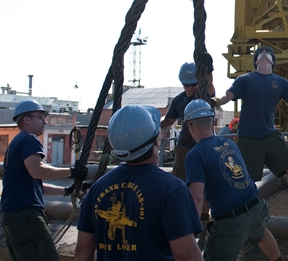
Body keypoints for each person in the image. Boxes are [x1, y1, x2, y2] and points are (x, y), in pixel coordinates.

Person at [74, 105, 203, 261]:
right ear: (156, 139)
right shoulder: (172, 190)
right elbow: (186, 255)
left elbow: (82, 251)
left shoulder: (97, 190)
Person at [214, 46, 288, 218]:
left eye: (267, 53)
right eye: (260, 53)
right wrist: (216, 101)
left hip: (271, 135)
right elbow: (227, 96)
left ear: (272, 61)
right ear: (256, 61)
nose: (264, 52)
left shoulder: (281, 83)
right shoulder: (244, 80)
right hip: (248, 138)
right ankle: (241, 212)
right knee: (244, 178)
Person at [183, 100, 284, 261]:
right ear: (212, 121)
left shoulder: (195, 155)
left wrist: (190, 233)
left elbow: (196, 196)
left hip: (231, 221)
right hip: (256, 207)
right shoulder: (228, 143)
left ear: (191, 126)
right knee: (260, 232)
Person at [1, 100, 89, 261]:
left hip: (12, 218)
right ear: (27, 120)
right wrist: (72, 172)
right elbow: (37, 171)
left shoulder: (15, 143)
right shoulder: (29, 139)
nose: (45, 121)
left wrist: (65, 190)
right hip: (26, 217)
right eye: (41, 117)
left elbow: (35, 186)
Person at [160, 59, 216, 180]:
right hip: (184, 148)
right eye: (186, 85)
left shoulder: (203, 96)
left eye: (193, 84)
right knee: (181, 180)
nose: (190, 88)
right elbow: (168, 120)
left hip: (206, 146)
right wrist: (154, 122)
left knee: (209, 181)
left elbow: (210, 86)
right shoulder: (178, 101)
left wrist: (209, 71)